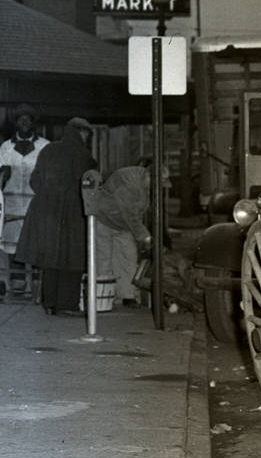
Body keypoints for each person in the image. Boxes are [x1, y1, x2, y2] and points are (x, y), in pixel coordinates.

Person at [14, 117, 97, 315]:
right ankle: (67, 305)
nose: (86, 138)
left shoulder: (48, 150)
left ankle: (49, 302)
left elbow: (35, 181)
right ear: (81, 132)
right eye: (86, 134)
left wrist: (48, 197)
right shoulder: (83, 155)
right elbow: (90, 187)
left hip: (46, 213)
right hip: (72, 213)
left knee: (50, 257)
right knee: (73, 257)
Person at [0, 104, 50, 299]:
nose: (24, 122)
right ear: (15, 123)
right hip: (10, 206)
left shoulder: (44, 146)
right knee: (8, 245)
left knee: (33, 245)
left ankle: (32, 288)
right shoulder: (5, 147)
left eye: (27, 119)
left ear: (33, 123)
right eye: (20, 119)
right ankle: (10, 285)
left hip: (34, 206)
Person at [91, 164, 151, 308]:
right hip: (104, 220)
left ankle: (126, 295)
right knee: (104, 259)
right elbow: (129, 213)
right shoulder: (131, 183)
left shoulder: (141, 181)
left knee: (128, 257)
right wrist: (144, 236)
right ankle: (104, 297)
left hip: (122, 225)